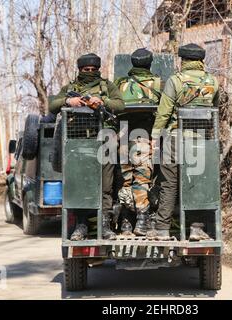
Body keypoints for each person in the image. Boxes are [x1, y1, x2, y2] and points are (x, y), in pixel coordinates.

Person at [148, 43, 220, 241]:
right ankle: (196, 228)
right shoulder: (213, 81)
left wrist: (155, 137)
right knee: (196, 183)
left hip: (175, 139)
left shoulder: (175, 80)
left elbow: (164, 112)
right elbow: (215, 108)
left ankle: (162, 228)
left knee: (168, 183)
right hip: (201, 141)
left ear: (183, 61)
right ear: (201, 61)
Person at [49, 53, 125, 240]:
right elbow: (52, 105)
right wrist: (69, 101)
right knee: (81, 185)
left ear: (98, 70)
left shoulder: (107, 86)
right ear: (80, 70)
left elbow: (121, 105)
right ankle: (81, 225)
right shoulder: (71, 88)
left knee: (106, 184)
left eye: (93, 69)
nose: (89, 72)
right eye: (86, 70)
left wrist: (102, 102)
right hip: (80, 142)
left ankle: (105, 225)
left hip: (105, 140)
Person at [114, 48, 162, 236]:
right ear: (149, 64)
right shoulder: (157, 83)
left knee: (126, 181)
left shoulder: (119, 84)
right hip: (144, 138)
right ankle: (142, 220)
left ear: (132, 64)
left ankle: (126, 222)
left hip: (122, 138)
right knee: (142, 180)